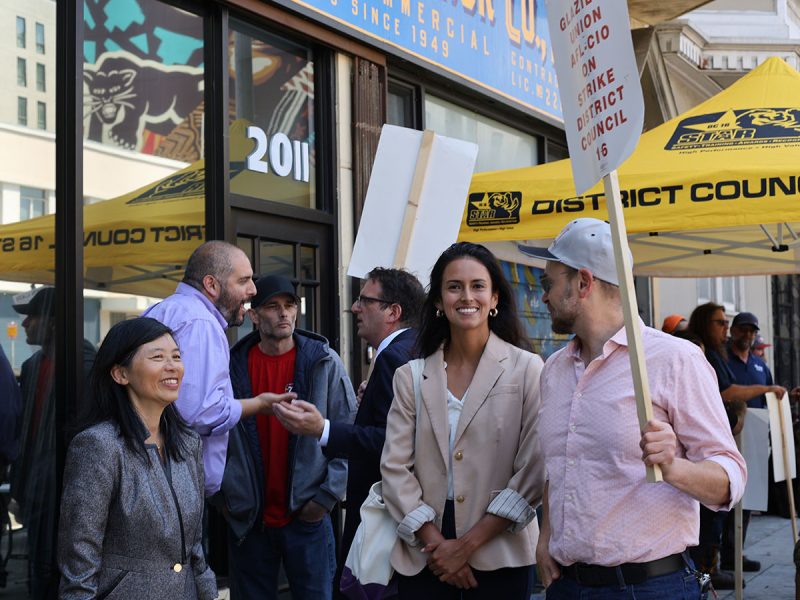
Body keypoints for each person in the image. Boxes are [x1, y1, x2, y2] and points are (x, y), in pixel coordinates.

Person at [522, 218, 746, 599]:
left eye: (549, 283)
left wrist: (675, 467)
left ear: (583, 283)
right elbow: (559, 468)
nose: (542, 296)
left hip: (650, 588)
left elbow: (730, 477)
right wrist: (545, 540)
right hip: (567, 586)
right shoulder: (554, 370)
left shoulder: (674, 359)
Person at [379, 242, 545, 599]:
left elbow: (534, 467)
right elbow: (394, 467)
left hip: (501, 547)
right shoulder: (410, 375)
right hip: (426, 548)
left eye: (478, 286)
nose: (466, 296)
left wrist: (466, 546)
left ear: (495, 297)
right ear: (438, 301)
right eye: (454, 286)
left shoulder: (527, 369)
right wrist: (437, 544)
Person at [273, 267, 425, 595]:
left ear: (393, 312)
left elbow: (391, 442)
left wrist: (322, 429)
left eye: (365, 301)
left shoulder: (394, 359)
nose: (354, 308)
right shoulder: (413, 349)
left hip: (386, 518)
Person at [58, 317, 216, 599]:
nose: (172, 366)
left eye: (176, 357)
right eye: (157, 357)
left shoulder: (188, 442)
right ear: (120, 374)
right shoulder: (99, 446)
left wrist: (208, 593)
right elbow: (79, 561)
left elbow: (194, 547)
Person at [227, 275, 356, 599]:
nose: (284, 313)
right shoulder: (233, 366)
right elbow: (214, 432)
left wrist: (326, 498)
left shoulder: (323, 362)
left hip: (307, 515)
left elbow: (348, 432)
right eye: (272, 306)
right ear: (254, 315)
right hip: (251, 518)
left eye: (289, 305)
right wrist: (227, 497)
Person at [143, 241, 294, 496]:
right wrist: (257, 405)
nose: (253, 290)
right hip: (176, 486)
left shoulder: (165, 309)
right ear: (211, 285)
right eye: (244, 280)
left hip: (161, 479)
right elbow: (201, 412)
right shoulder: (200, 322)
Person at [10, 287, 96, 599]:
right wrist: (20, 489)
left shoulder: (86, 366)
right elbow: (27, 434)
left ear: (54, 322)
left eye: (32, 317)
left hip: (68, 491)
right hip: (37, 492)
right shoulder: (34, 367)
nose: (24, 325)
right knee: (39, 573)